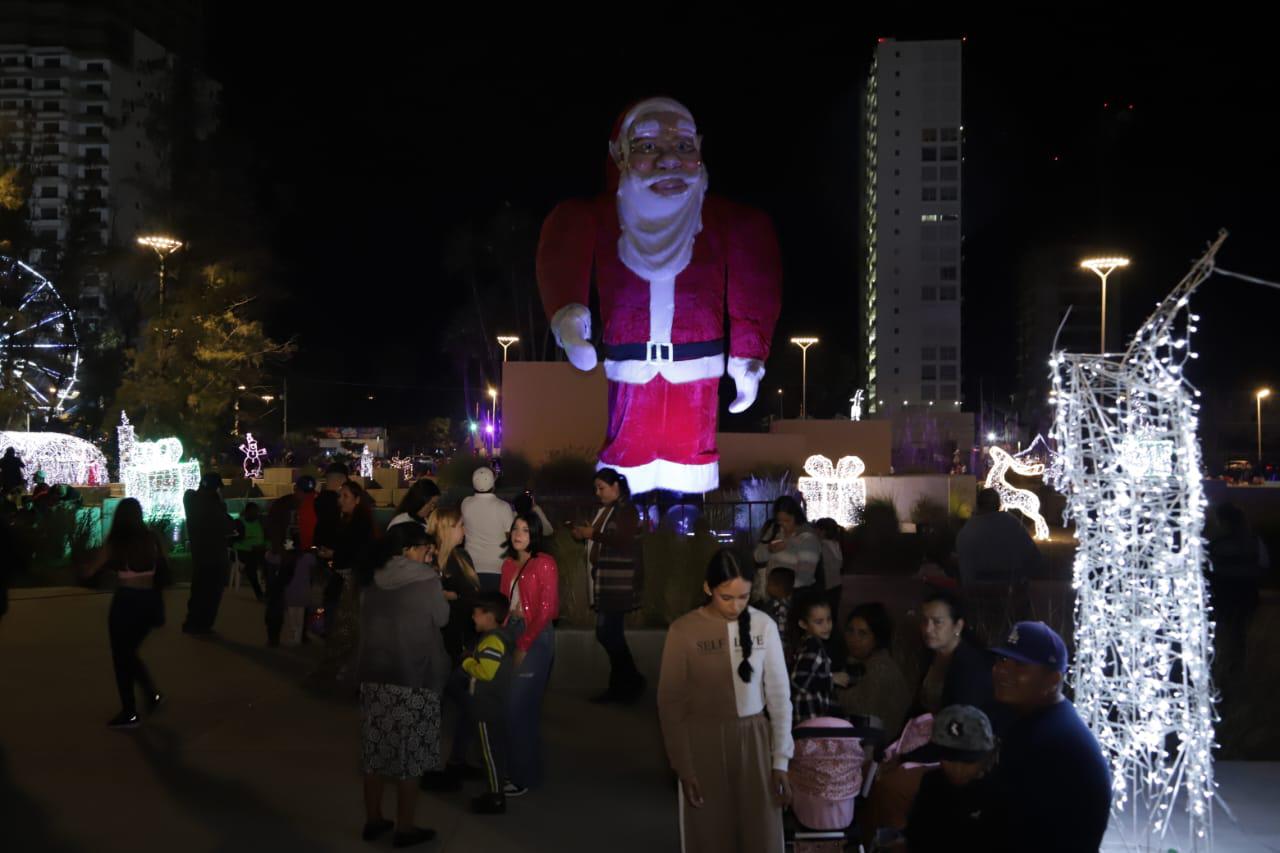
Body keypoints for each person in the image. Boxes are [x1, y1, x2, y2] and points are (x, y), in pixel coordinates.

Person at [536, 96, 782, 494]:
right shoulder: (595, 217)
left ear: (699, 150)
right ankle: (626, 525)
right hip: (630, 374)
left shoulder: (730, 223)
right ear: (619, 154)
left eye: (683, 146)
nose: (669, 160)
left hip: (697, 373)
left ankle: (682, 531)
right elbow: (563, 252)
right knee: (625, 463)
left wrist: (748, 357)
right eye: (649, 146)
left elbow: (753, 281)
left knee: (691, 468)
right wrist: (570, 323)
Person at [657, 549, 793, 853]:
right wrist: (683, 766)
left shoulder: (764, 626)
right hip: (703, 741)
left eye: (743, 597)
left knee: (762, 834)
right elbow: (670, 705)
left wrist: (780, 759)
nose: (735, 607)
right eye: (726, 597)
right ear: (708, 588)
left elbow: (779, 697)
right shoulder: (682, 631)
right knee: (709, 833)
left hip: (755, 741)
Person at [355, 523, 450, 848]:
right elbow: (443, 618)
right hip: (414, 676)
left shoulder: (372, 578)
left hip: (375, 674)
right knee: (412, 756)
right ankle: (405, 827)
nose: (428, 553)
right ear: (408, 549)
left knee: (375, 753)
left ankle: (373, 819)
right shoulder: (426, 580)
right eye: (424, 547)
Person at [986, 621, 1111, 852]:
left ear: (1052, 680)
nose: (1003, 670)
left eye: (1020, 665)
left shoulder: (1052, 741)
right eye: (1002, 660)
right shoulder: (1041, 719)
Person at [84, 497, 168, 728]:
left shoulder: (117, 543)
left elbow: (90, 570)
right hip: (149, 601)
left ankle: (130, 711)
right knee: (128, 653)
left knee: (122, 656)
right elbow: (162, 567)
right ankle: (151, 695)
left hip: (127, 603)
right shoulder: (152, 539)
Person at [570, 467, 646, 703]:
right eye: (596, 488)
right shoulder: (611, 510)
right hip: (609, 580)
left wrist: (592, 533)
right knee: (610, 633)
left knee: (607, 633)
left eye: (601, 488)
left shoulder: (626, 511)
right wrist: (587, 533)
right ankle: (623, 685)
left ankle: (630, 681)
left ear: (616, 487)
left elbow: (623, 541)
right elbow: (606, 538)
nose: (598, 493)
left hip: (619, 582)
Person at [499, 512, 559, 794]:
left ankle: (520, 776)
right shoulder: (508, 565)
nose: (518, 534)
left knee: (517, 706)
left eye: (525, 529)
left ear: (534, 534)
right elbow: (502, 606)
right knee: (520, 708)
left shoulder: (543, 564)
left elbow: (546, 610)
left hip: (535, 634)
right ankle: (523, 771)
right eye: (515, 529)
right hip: (512, 630)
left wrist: (524, 644)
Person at [423, 506, 482, 787]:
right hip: (438, 645)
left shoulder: (461, 558)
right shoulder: (429, 560)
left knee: (466, 707)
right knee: (436, 709)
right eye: (460, 525)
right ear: (447, 528)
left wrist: (453, 596)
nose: (465, 530)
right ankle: (433, 767)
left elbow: (472, 599)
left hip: (461, 644)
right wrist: (448, 595)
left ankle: (456, 761)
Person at [900, 705, 998, 852]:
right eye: (949, 759)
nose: (957, 770)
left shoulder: (999, 794)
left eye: (967, 762)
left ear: (986, 757)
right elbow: (916, 836)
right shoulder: (931, 784)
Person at [462, 590, 515, 815]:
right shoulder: (496, 638)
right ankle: (496, 789)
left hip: (487, 708)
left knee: (489, 754)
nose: (473, 617)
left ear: (489, 616)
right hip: (494, 706)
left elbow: (485, 671)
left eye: (476, 613)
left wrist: (466, 663)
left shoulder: (492, 640)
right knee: (493, 751)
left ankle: (495, 797)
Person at [318, 480, 375, 679]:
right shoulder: (345, 519)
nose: (341, 500)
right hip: (342, 578)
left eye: (345, 496)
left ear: (357, 500)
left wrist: (334, 553)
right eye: (340, 496)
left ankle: (347, 667)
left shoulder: (361, 523)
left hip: (351, 581)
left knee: (345, 625)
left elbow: (358, 552)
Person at [1208, 503, 1268, 682]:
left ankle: (1223, 668)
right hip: (1246, 593)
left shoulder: (1215, 544)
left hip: (1223, 594)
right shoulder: (1254, 541)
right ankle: (1236, 667)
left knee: (1223, 631)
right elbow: (1264, 564)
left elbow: (1207, 570)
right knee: (1238, 631)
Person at [837, 603, 911, 738]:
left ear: (876, 638)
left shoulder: (881, 668)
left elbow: (864, 713)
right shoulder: (857, 662)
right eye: (850, 631)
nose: (854, 639)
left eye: (863, 633)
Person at [915, 590, 993, 715]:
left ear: (958, 626)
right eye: (924, 621)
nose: (928, 629)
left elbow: (965, 718)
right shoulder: (930, 655)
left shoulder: (972, 665)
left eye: (937, 622)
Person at [955, 487, 1042, 587]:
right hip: (1012, 589)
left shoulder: (968, 529)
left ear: (978, 505)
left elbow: (965, 565)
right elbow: (1035, 558)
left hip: (978, 592)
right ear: (999, 505)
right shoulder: (1012, 523)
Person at [182, 473, 233, 635]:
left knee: (198, 591)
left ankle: (192, 623)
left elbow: (192, 494)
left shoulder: (190, 498)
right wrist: (220, 502)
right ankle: (203, 625)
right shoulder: (214, 506)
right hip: (215, 555)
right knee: (212, 593)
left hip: (200, 554)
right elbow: (227, 525)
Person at [752, 496, 822, 592]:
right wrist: (769, 549)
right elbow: (757, 557)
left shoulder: (807, 539)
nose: (784, 525)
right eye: (780, 521)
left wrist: (780, 589)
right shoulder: (775, 530)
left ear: (796, 517)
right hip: (772, 595)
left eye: (787, 521)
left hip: (794, 597)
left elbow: (805, 578)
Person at [462, 466, 515, 591]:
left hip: (471, 566)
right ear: (493, 485)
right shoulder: (503, 507)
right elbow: (511, 537)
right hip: (498, 567)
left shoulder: (465, 504)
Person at [790, 595, 841, 724]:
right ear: (803, 624)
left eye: (829, 619)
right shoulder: (813, 645)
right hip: (809, 716)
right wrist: (832, 679)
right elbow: (799, 680)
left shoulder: (808, 643)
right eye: (819, 622)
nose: (826, 626)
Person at [232, 501, 266, 601]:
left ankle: (271, 592)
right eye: (253, 512)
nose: (256, 514)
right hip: (244, 551)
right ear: (246, 512)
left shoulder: (260, 522)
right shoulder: (239, 522)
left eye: (257, 512)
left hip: (260, 550)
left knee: (272, 562)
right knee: (251, 567)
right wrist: (252, 546)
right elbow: (234, 539)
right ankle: (259, 594)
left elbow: (265, 538)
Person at [762, 567, 795, 661]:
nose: (766, 586)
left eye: (769, 584)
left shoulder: (774, 608)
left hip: (779, 651)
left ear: (778, 587)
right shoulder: (793, 605)